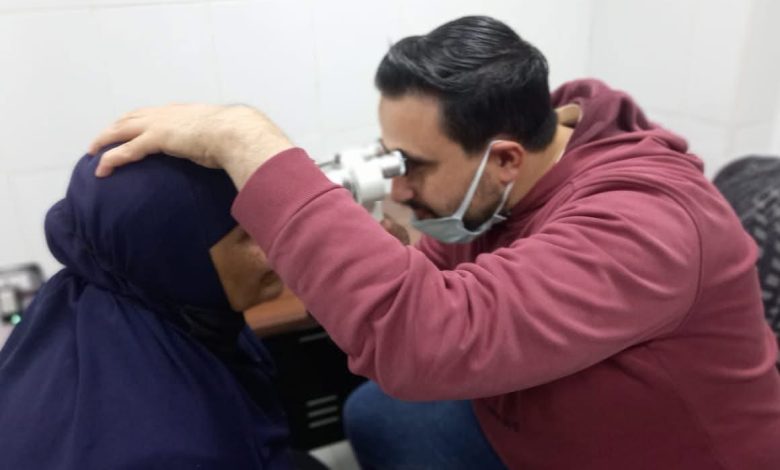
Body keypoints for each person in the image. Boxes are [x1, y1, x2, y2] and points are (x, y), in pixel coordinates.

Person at [87, 15, 780, 470]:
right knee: (377, 410)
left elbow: (427, 340)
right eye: (392, 158)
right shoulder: (527, 153)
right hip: (534, 418)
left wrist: (248, 144)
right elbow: (443, 277)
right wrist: (383, 248)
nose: (400, 187)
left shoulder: (645, 226)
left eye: (412, 167)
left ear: (504, 159)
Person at [0, 153, 295, 468]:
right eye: (246, 235)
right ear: (177, 255)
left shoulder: (106, 283)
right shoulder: (177, 449)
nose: (275, 248)